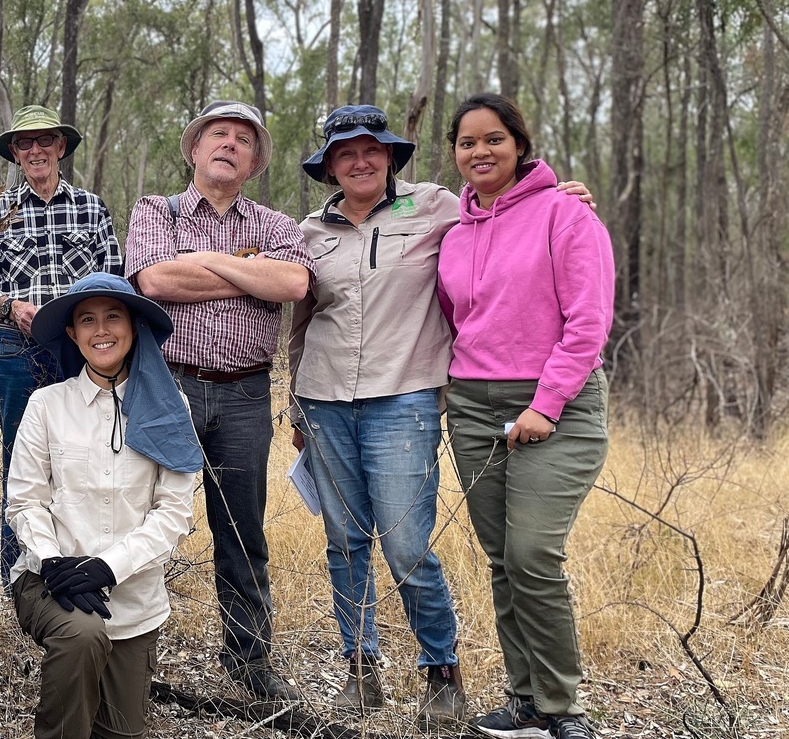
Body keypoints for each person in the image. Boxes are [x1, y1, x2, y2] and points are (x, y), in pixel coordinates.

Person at [287, 105, 594, 723]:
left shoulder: (433, 206)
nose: (360, 160)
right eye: (346, 152)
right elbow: (298, 321)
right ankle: (360, 670)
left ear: (391, 157)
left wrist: (559, 191)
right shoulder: (309, 233)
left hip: (405, 399)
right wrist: (295, 401)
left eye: (373, 149)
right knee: (345, 542)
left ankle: (441, 673)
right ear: (330, 166)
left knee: (405, 546)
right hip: (323, 400)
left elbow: (503, 206)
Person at [436, 93, 613, 739]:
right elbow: (458, 321)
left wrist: (543, 405)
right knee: (503, 560)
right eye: (466, 142)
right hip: (474, 408)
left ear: (519, 144)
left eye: (493, 140)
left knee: (533, 551)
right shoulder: (453, 234)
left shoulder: (566, 215)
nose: (479, 152)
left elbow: (588, 323)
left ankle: (563, 708)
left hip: (557, 406)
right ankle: (524, 701)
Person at [123, 100, 314, 700]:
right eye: (217, 135)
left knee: (241, 531)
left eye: (242, 139)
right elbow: (153, 281)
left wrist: (201, 264)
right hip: (167, 387)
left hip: (246, 395)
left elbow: (294, 283)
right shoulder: (157, 210)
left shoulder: (278, 223)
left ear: (255, 161)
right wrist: (244, 267)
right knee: (142, 521)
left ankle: (249, 662)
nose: (229, 144)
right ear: (195, 149)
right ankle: (129, 655)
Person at [6, 272, 201, 739]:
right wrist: (53, 561)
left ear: (134, 327)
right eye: (87, 320)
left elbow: (174, 512)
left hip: (133, 602)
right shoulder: (46, 405)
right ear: (72, 334)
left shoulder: (171, 408)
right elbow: (24, 501)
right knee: (82, 634)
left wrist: (108, 568)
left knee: (119, 731)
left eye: (113, 317)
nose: (101, 331)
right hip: (49, 583)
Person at [0, 104, 124, 586]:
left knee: (87, 457)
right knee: (23, 460)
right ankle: (22, 578)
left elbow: (115, 279)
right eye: (24, 143)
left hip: (82, 350)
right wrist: (9, 306)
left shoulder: (92, 207)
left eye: (45, 141)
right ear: (15, 153)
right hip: (18, 352)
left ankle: (81, 568)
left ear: (61, 147)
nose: (35, 150)